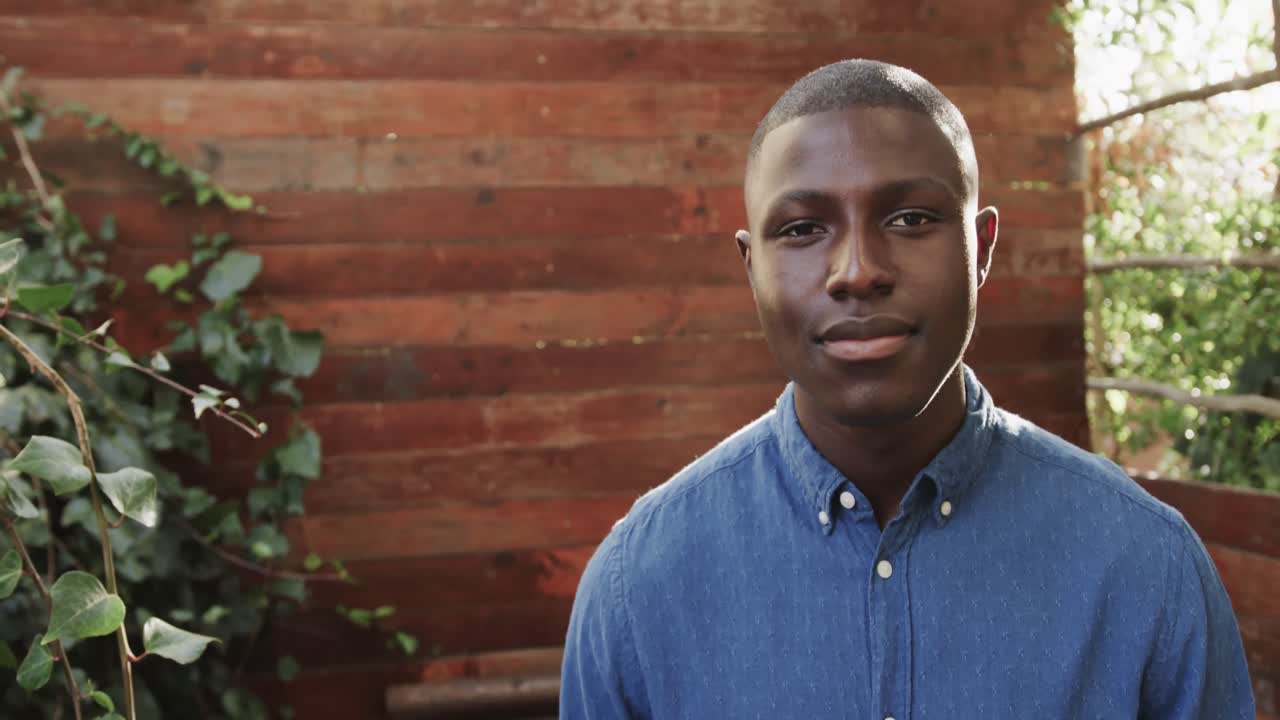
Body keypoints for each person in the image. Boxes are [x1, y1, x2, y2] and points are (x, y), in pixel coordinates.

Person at [560, 59, 1254, 719]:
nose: (858, 271)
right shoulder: (638, 587)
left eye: (911, 219)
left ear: (982, 249)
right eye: (802, 229)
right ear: (753, 269)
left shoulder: (1146, 566)